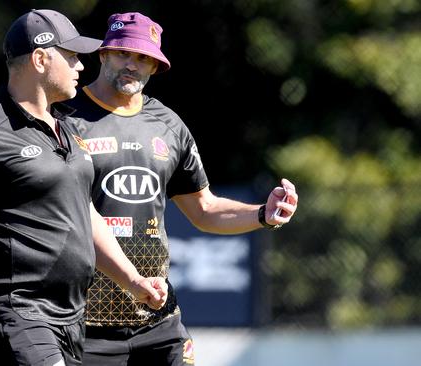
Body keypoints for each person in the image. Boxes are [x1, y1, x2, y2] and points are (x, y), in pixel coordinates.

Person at [0, 9, 170, 366]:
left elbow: (86, 215)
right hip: (15, 313)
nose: (81, 66)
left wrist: (134, 282)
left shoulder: (68, 130)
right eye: (73, 57)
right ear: (41, 58)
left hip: (70, 319)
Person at [63, 12, 299, 365]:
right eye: (124, 53)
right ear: (103, 54)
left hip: (157, 321)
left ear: (155, 68)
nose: (132, 65)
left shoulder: (168, 126)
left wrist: (263, 214)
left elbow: (204, 210)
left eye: (144, 58)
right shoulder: (62, 117)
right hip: (83, 324)